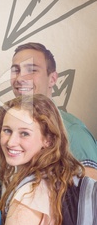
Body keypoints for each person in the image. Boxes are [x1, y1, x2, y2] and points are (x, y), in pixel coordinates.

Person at [0, 94, 85, 225]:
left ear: (48, 139)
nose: (11, 142)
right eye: (7, 130)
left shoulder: (27, 195)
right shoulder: (55, 178)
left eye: (24, 133)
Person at [10, 42, 97, 179]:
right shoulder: (10, 131)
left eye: (31, 70)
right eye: (16, 70)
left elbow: (91, 194)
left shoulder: (73, 132)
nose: (20, 78)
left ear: (52, 79)